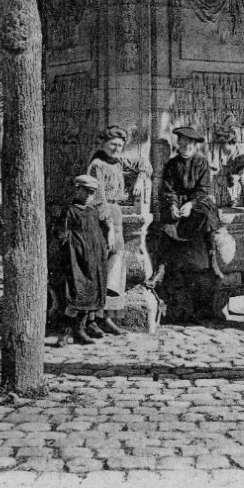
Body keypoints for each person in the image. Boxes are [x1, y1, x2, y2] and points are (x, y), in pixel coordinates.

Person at [146, 125, 225, 287]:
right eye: (183, 142)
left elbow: (203, 189)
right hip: (178, 202)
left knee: (207, 214)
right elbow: (169, 188)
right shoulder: (172, 164)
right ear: (178, 144)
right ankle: (160, 269)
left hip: (196, 202)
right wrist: (173, 205)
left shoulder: (201, 162)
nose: (186, 146)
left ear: (195, 145)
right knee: (166, 220)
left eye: (190, 143)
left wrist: (191, 204)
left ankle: (212, 260)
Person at [87, 124, 143, 336]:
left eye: (120, 145)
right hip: (103, 219)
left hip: (116, 215)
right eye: (113, 144)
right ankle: (93, 319)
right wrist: (108, 226)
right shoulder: (97, 164)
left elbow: (144, 164)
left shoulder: (117, 162)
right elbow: (98, 197)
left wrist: (140, 177)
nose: (117, 149)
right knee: (101, 267)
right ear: (104, 143)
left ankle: (108, 316)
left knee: (115, 268)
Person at [53, 174, 108, 346]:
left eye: (92, 193)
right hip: (76, 260)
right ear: (77, 189)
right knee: (76, 295)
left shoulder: (92, 211)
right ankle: (66, 332)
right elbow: (60, 234)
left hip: (93, 261)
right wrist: (68, 244)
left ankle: (81, 329)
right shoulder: (70, 211)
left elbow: (98, 235)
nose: (89, 196)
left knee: (91, 294)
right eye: (86, 191)